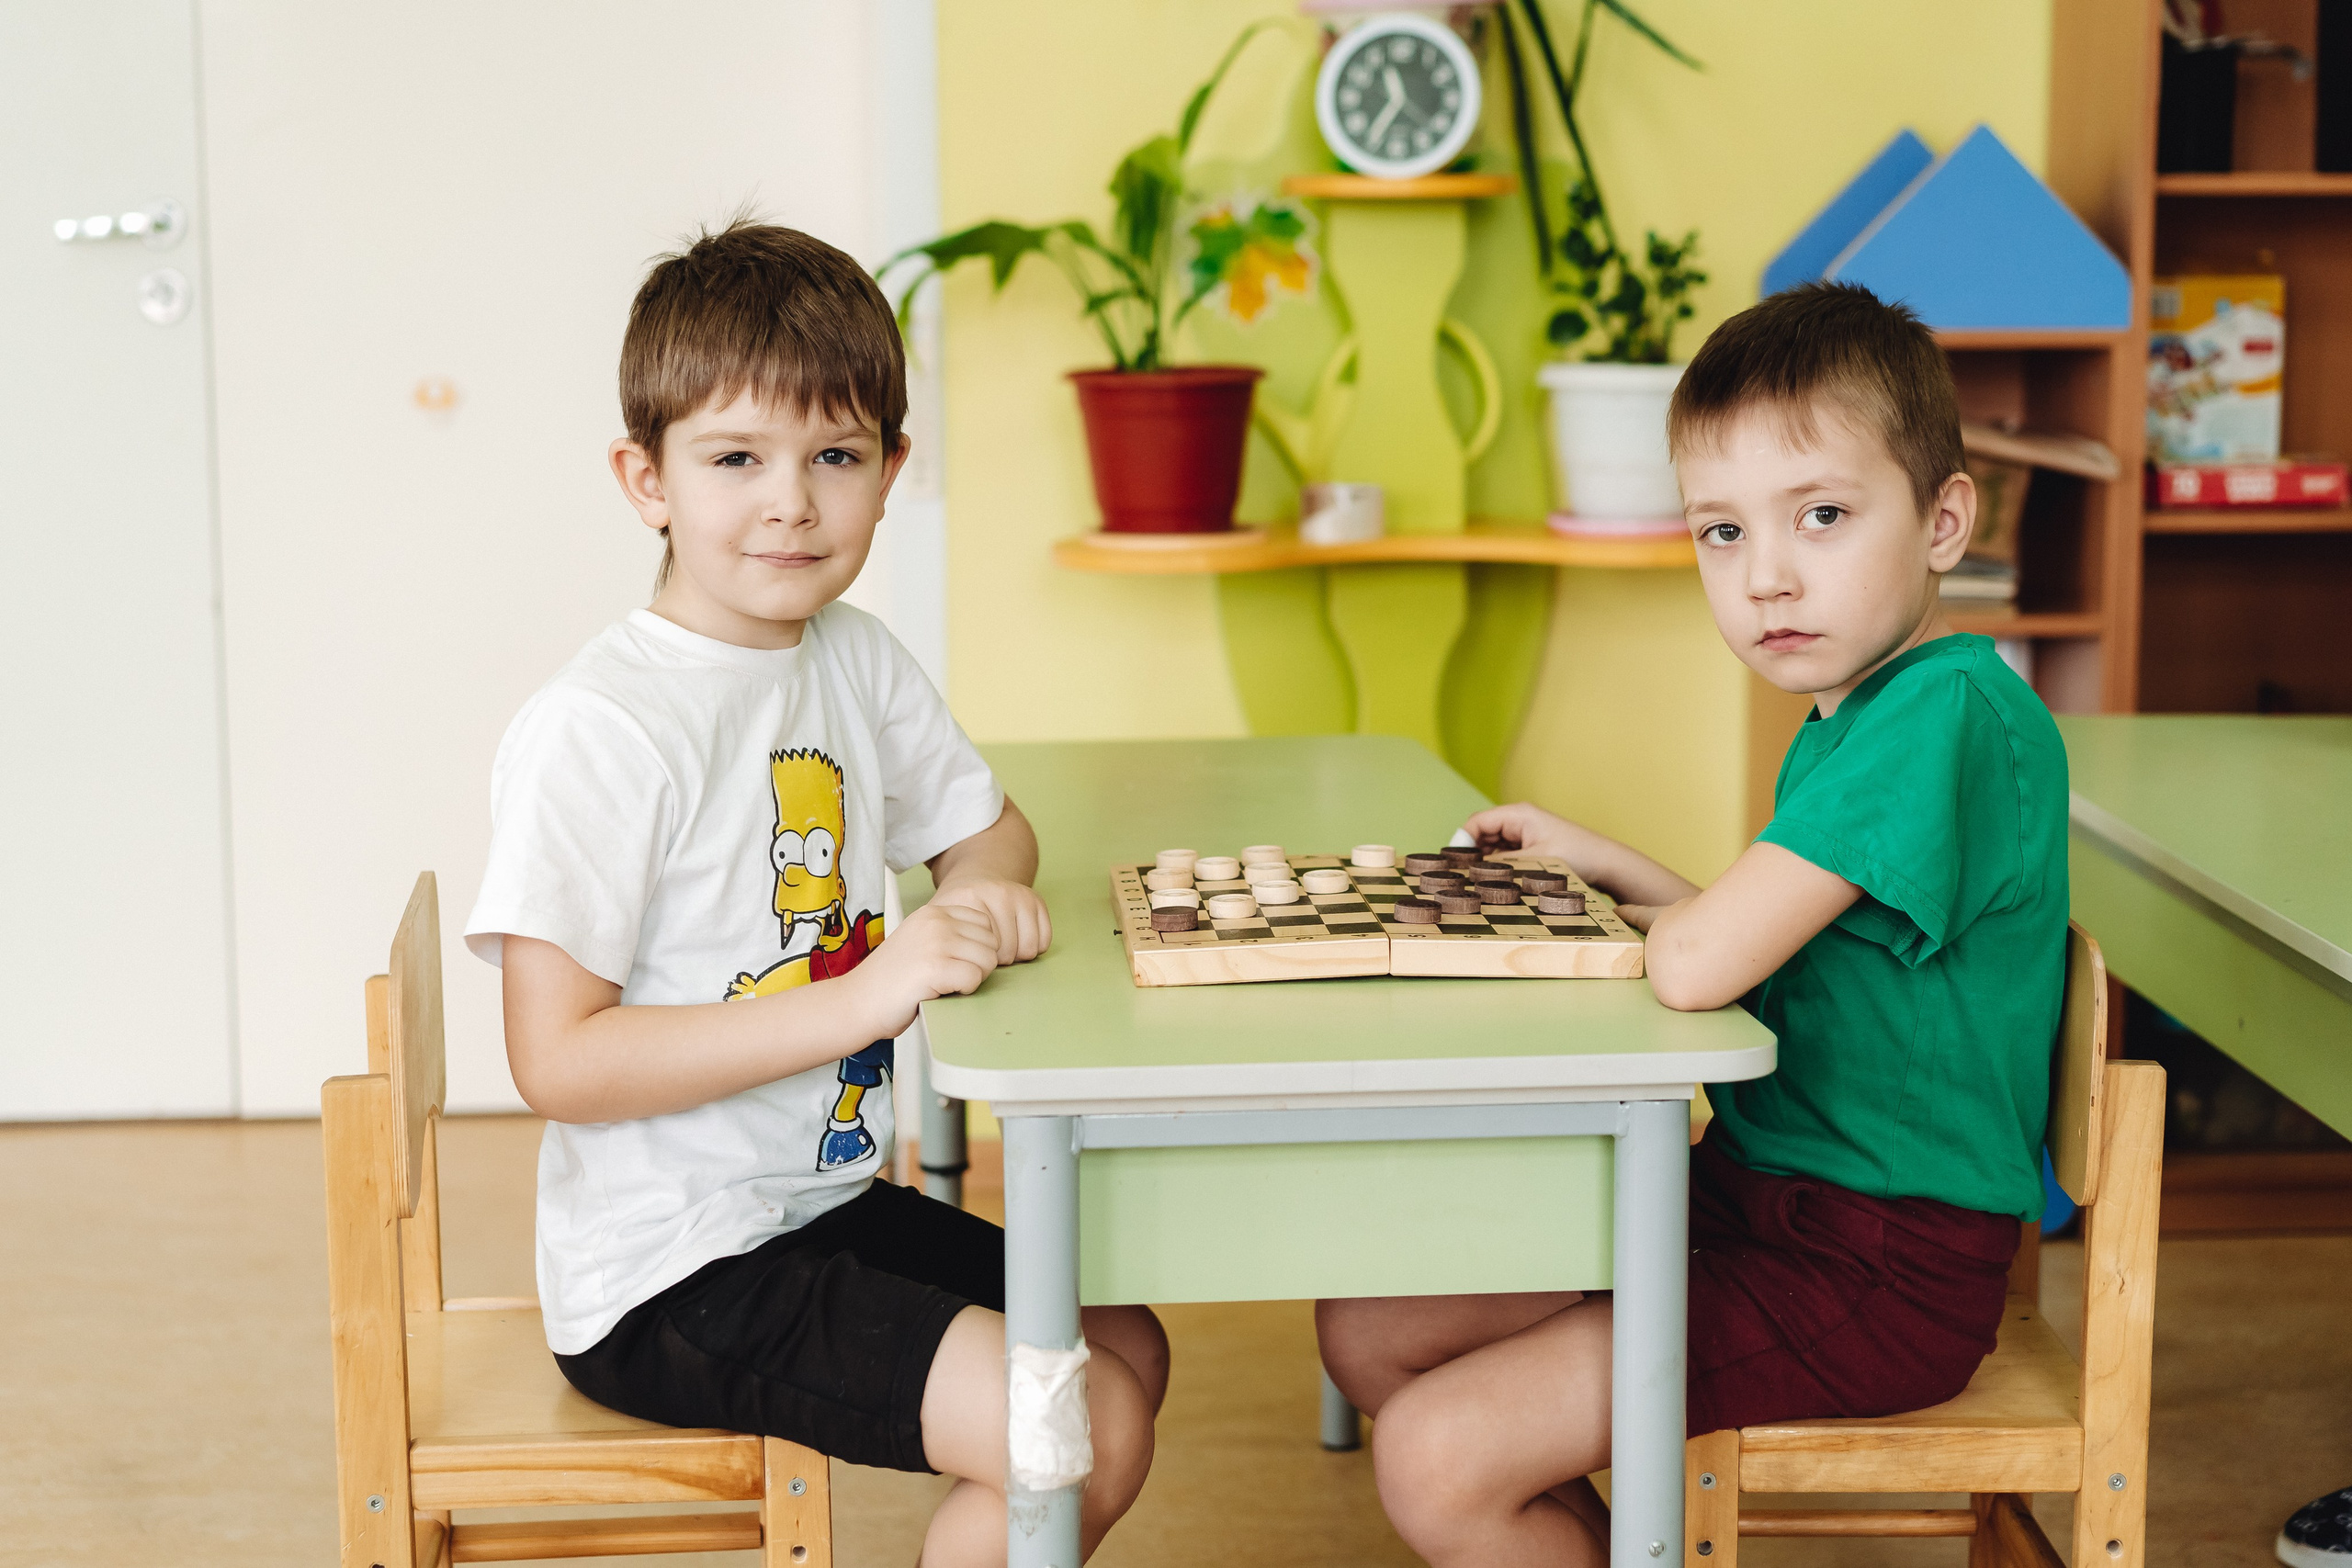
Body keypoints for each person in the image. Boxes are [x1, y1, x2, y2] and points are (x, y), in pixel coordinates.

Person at [1316, 281, 2068, 1568]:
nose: (1766, 575)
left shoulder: (1944, 717)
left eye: (1821, 516)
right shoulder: (1865, 716)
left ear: (1946, 520)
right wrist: (1600, 861)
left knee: (1435, 1455)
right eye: (1721, 532)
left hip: (1879, 1261)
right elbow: (1782, 944)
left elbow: (1702, 967)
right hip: (1763, 1198)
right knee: (1368, 1333)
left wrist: (1646, 922)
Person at [464, 220, 1167, 1567]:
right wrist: (872, 985)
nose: (790, 502)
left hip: (818, 1199)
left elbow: (992, 833)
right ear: (646, 477)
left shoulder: (851, 657)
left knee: (1122, 1335)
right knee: (1072, 1415)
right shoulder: (601, 731)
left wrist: (981, 896)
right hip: (673, 1271)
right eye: (736, 459)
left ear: (891, 474)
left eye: (834, 457)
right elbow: (557, 1059)